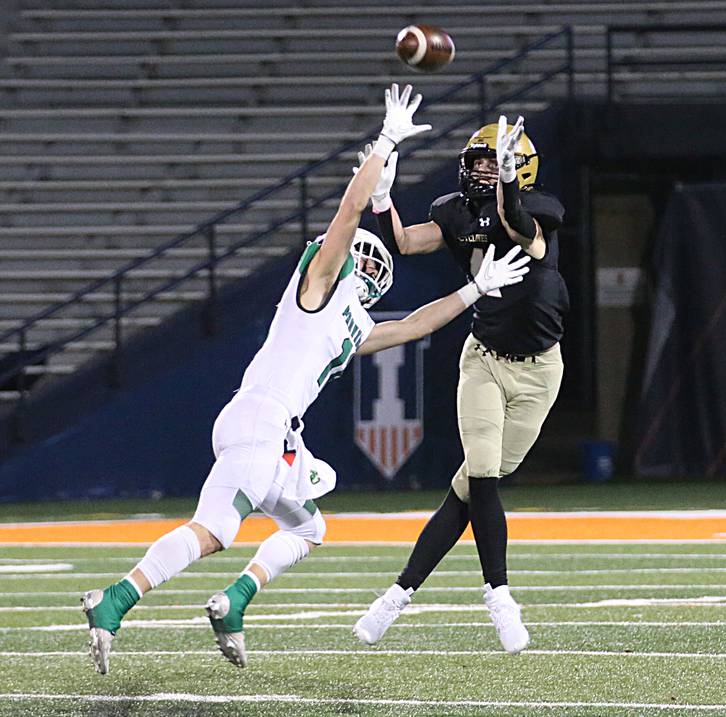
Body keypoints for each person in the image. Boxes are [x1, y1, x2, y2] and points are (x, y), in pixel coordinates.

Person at [80, 84, 531, 674]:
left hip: (268, 428)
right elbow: (348, 215)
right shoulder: (318, 290)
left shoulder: (350, 326)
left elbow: (416, 325)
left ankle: (233, 601)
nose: (359, 259)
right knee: (215, 529)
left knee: (308, 526)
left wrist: (473, 289)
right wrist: (385, 144)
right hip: (262, 422)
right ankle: (115, 599)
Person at [353, 115, 568, 654]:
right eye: (477, 162)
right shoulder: (455, 211)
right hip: (484, 361)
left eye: (493, 164)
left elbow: (519, 227)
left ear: (519, 170)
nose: (479, 172)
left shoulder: (539, 209)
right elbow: (403, 243)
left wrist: (509, 186)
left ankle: (397, 595)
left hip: (541, 371)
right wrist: (382, 202)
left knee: (469, 489)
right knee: (485, 479)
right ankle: (499, 596)